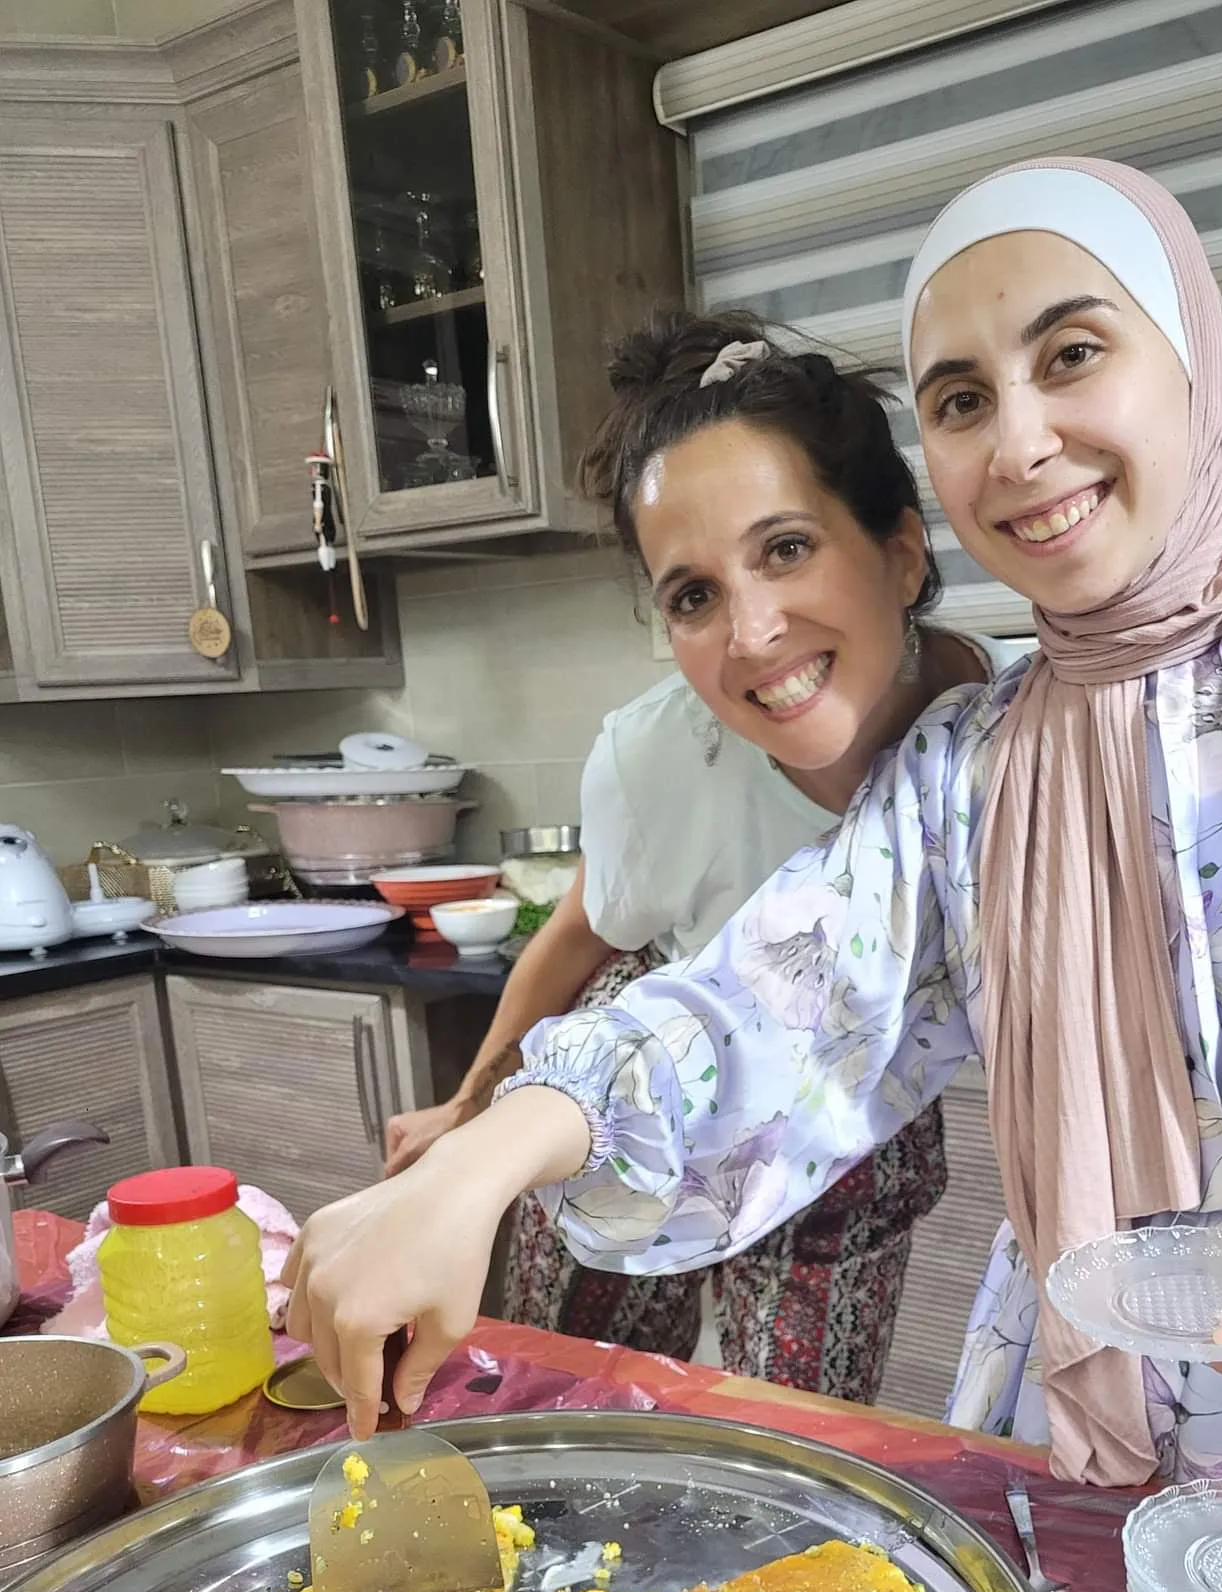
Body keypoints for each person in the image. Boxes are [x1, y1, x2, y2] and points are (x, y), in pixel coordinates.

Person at [286, 159, 1222, 1553]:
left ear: (1191, 358)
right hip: (1121, 1422)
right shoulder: (974, 767)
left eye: (1072, 354)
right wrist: (471, 1164)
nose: (1017, 445)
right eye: (959, 400)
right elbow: (769, 1002)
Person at [379, 308, 993, 1398]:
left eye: (788, 547)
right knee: (560, 1386)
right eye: (694, 595)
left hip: (856, 1129)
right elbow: (577, 936)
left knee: (793, 1434)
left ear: (902, 551)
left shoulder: (1015, 748)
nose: (752, 634)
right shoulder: (660, 756)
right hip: (628, 1087)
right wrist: (470, 1118)